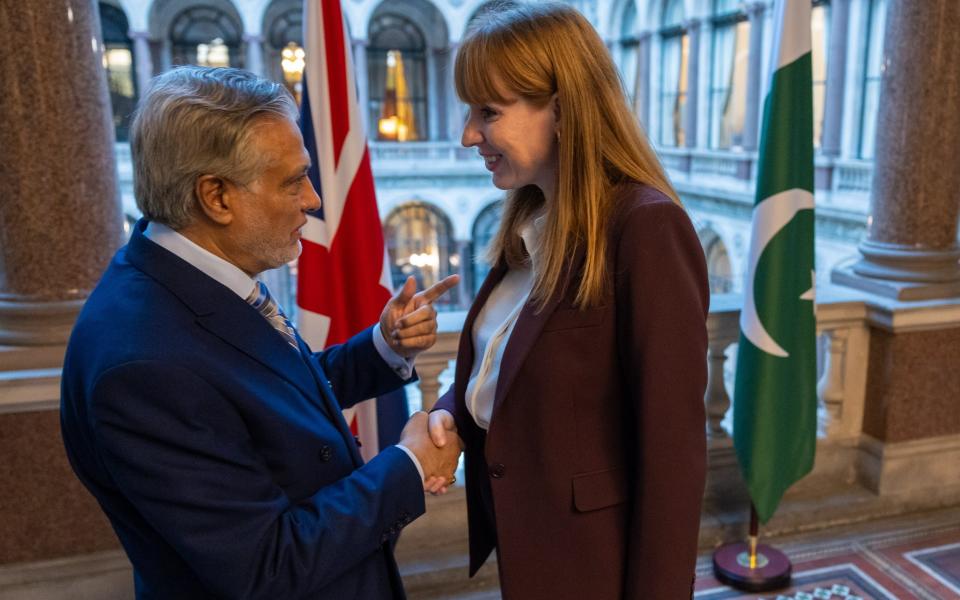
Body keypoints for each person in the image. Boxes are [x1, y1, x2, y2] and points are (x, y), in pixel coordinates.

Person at [60, 66, 460, 600]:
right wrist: (408, 464)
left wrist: (382, 347)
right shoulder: (144, 367)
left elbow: (265, 398)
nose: (314, 199)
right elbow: (267, 568)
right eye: (293, 180)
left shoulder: (184, 271)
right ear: (217, 197)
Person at [427, 4, 709, 599]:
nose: (468, 135)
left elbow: (672, 454)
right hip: (531, 544)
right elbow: (513, 360)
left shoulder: (647, 229)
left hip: (597, 565)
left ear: (560, 108)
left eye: (488, 112)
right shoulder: (530, 218)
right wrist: (450, 409)